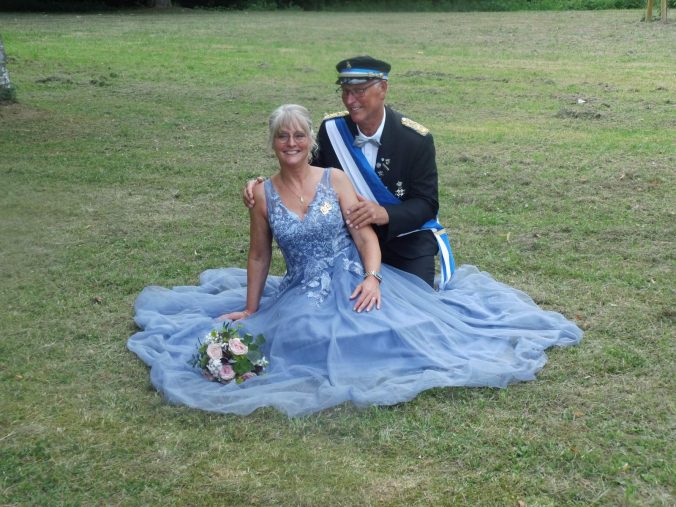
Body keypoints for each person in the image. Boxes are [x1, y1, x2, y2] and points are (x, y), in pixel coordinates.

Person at [127, 104, 583, 417]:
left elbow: (365, 236)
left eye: (299, 135)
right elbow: (260, 254)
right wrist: (250, 307)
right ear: (272, 143)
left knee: (388, 326)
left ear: (310, 140)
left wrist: (373, 278)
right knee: (304, 333)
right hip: (302, 287)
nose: (291, 142)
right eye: (283, 136)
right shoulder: (262, 195)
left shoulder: (336, 179)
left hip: (352, 275)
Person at [243, 56, 452, 288]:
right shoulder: (333, 131)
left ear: (383, 88)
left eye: (359, 91)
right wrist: (263, 186)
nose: (350, 101)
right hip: (351, 246)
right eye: (345, 91)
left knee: (414, 305)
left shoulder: (415, 140)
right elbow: (305, 174)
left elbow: (427, 203)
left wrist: (384, 213)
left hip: (406, 244)